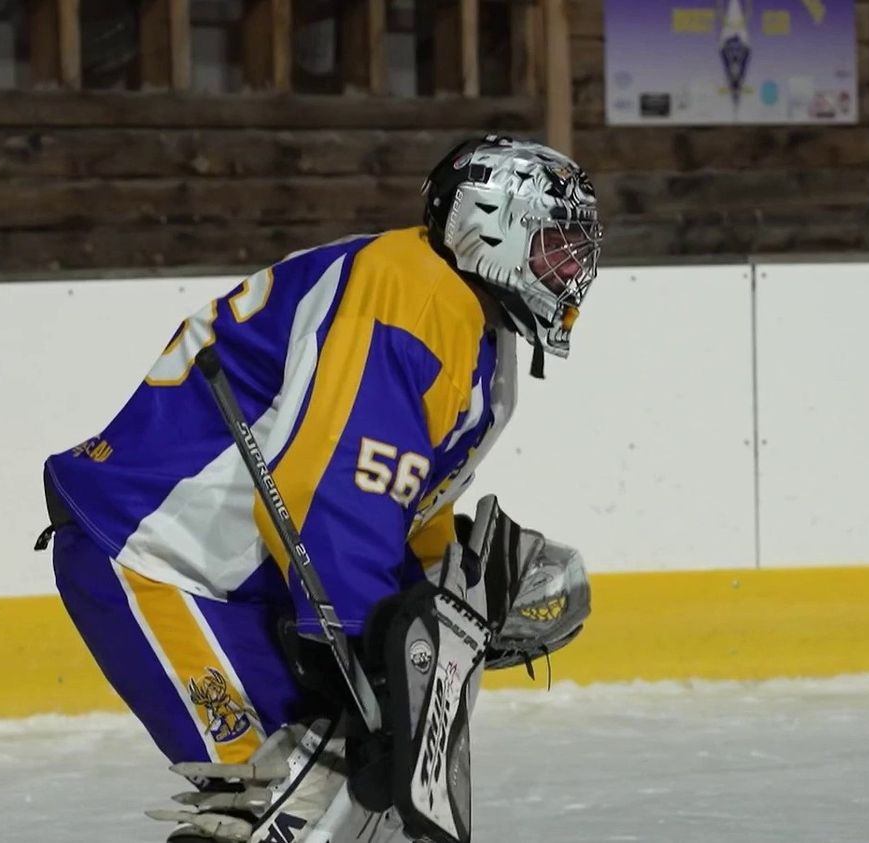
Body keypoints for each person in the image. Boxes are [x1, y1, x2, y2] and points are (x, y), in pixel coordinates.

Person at [38, 135, 601, 843]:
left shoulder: (472, 327)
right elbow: (330, 488)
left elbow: (395, 493)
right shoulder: (413, 294)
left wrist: (439, 589)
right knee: (283, 799)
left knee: (329, 786)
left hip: (239, 573)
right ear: (491, 222)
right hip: (151, 554)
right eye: (556, 243)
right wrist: (378, 650)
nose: (572, 268)